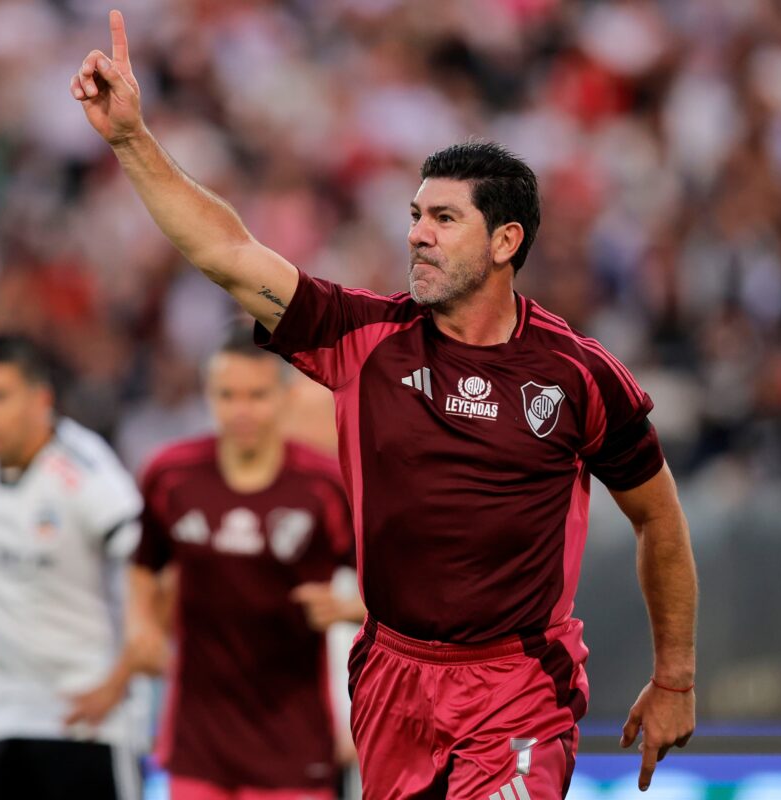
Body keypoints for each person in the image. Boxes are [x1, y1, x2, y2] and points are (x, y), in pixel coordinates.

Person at [71, 12, 697, 798]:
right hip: (392, 678)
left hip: (516, 686)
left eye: (444, 219)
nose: (417, 236)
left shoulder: (577, 376)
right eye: (414, 216)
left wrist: (675, 677)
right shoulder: (364, 338)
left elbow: (658, 518)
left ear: (505, 242)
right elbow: (228, 254)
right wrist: (132, 139)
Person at [129, 327, 362, 800]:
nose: (241, 411)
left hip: (294, 741)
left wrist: (350, 608)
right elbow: (144, 562)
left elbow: (392, 584)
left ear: (285, 397)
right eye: (227, 395)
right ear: (207, 396)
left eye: (256, 395)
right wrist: (142, 625)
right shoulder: (170, 476)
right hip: (198, 740)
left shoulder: (324, 487)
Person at [0, 335, 149, 800]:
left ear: (40, 399)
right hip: (2, 714)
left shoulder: (87, 473)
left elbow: (155, 569)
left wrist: (120, 680)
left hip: (88, 719)